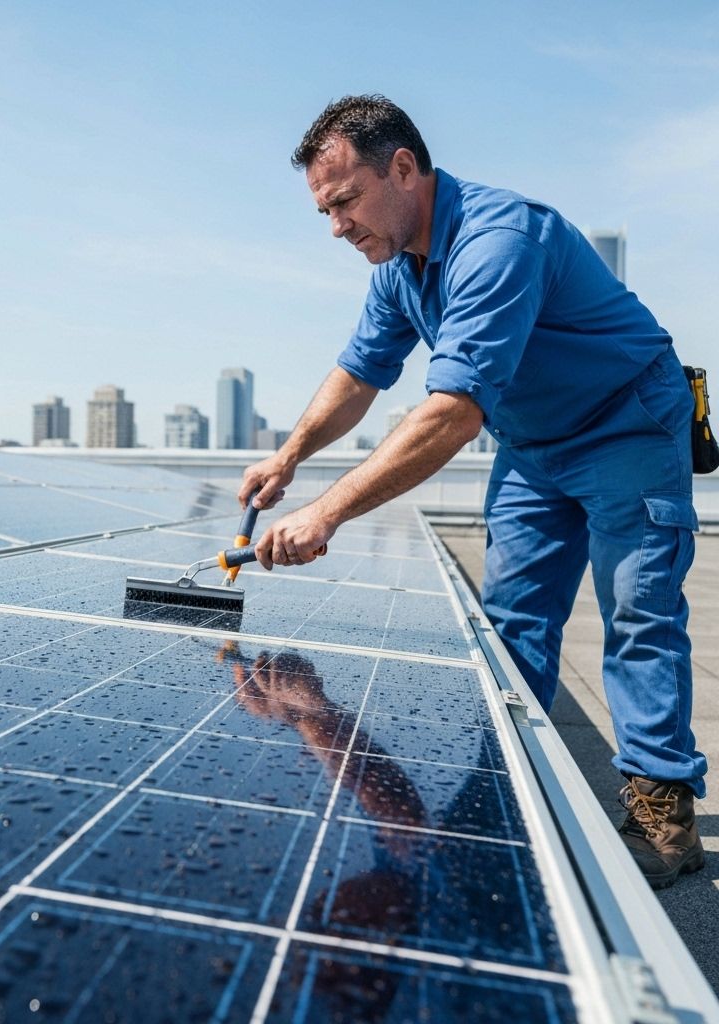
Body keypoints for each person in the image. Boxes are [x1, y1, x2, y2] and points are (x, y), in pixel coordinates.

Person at [239, 94, 706, 889]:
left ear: (404, 169)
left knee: (637, 608)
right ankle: (508, 786)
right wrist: (289, 459)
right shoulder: (399, 269)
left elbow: (452, 415)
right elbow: (358, 377)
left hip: (625, 419)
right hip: (532, 444)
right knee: (515, 621)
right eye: (324, 209)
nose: (337, 226)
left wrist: (329, 510)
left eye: (345, 200)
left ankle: (664, 814)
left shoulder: (498, 240)